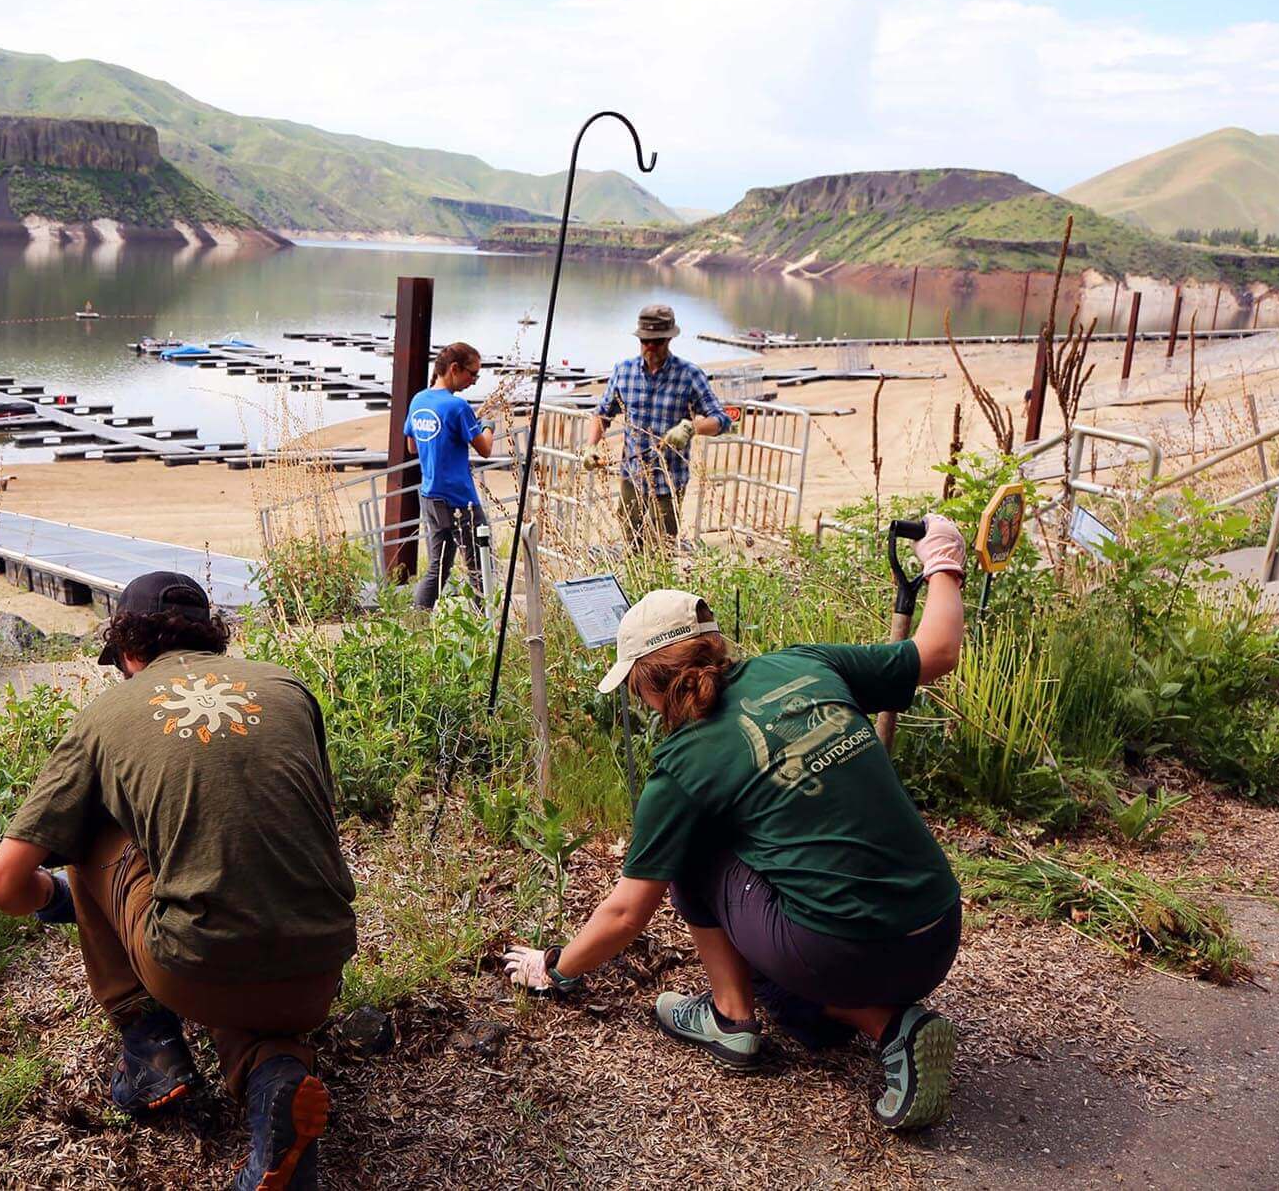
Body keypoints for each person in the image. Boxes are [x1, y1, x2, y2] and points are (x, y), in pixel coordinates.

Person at [500, 514, 971, 1132]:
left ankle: (737, 1018)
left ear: (648, 680)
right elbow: (938, 652)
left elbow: (625, 913)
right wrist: (945, 564)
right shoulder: (806, 665)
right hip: (936, 930)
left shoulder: (683, 762)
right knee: (794, 1009)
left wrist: (554, 968)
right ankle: (882, 1020)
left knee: (693, 852)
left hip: (847, 954)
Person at [0, 571, 356, 1190]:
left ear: (129, 652)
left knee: (84, 830)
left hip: (192, 971)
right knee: (250, 979)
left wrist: (60, 900)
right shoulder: (287, 687)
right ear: (212, 639)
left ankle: (150, 1047)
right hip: (317, 970)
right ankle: (274, 1078)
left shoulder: (107, 715)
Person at [584, 303, 732, 544]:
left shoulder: (689, 375)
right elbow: (602, 414)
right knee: (631, 548)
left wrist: (691, 427)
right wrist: (590, 447)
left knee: (660, 550)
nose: (650, 347)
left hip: (669, 483)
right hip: (632, 479)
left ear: (669, 340)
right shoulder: (623, 371)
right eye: (645, 341)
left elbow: (722, 420)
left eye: (657, 341)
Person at [403, 341, 495, 609]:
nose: (474, 381)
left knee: (438, 566)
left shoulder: (419, 400)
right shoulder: (457, 407)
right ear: (454, 369)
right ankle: (485, 625)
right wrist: (487, 425)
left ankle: (418, 619)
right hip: (460, 499)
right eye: (472, 373)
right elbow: (486, 449)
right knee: (481, 566)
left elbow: (412, 447)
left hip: (430, 495)